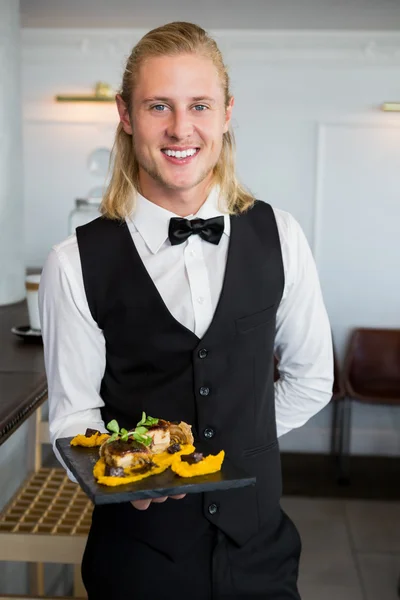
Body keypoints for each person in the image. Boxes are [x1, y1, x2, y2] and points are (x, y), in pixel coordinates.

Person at [39, 21, 333, 600]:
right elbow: (74, 418)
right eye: (158, 106)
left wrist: (235, 443)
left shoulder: (283, 236)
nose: (181, 128)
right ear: (126, 115)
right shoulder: (73, 261)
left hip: (261, 557)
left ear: (226, 113)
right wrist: (127, 472)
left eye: (199, 104)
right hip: (138, 562)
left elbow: (312, 378)